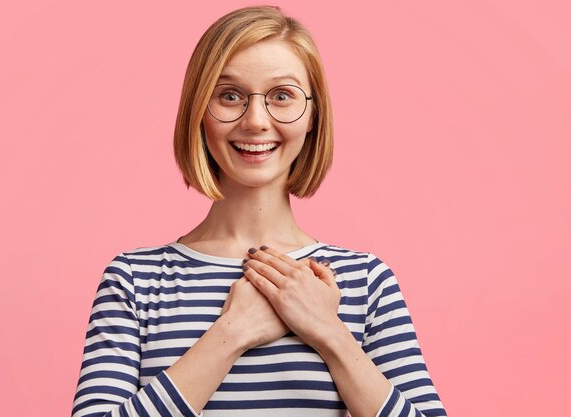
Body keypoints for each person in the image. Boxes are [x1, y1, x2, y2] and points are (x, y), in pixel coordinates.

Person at [71, 6, 447, 417]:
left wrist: (329, 333)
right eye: (229, 95)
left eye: (281, 96)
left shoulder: (366, 282)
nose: (255, 121)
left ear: (312, 117)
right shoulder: (133, 281)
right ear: (198, 111)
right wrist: (232, 332)